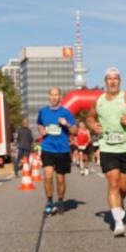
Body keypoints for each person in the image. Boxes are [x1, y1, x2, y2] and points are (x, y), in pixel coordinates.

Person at [86, 67, 126, 237]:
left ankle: (119, 204)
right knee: (113, 183)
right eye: (109, 79)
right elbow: (90, 117)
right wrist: (92, 125)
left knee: (123, 187)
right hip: (107, 147)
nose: (112, 81)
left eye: (115, 79)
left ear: (119, 81)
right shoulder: (98, 101)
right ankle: (118, 222)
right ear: (105, 81)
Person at [36, 87, 76, 215]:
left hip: (62, 149)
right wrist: (41, 130)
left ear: (60, 97)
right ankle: (49, 201)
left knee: (60, 179)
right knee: (48, 176)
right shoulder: (43, 112)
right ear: (49, 96)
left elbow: (75, 130)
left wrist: (67, 124)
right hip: (47, 148)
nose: (54, 97)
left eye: (56, 95)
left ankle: (60, 201)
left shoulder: (66, 112)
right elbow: (39, 124)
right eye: (52, 95)